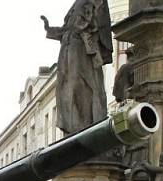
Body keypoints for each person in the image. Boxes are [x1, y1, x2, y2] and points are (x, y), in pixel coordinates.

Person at [41, 0, 113, 135]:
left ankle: (89, 126)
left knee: (84, 87)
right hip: (67, 50)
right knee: (67, 88)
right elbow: (67, 29)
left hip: (82, 49)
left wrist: (87, 28)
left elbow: (100, 25)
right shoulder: (77, 4)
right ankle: (73, 128)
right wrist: (49, 29)